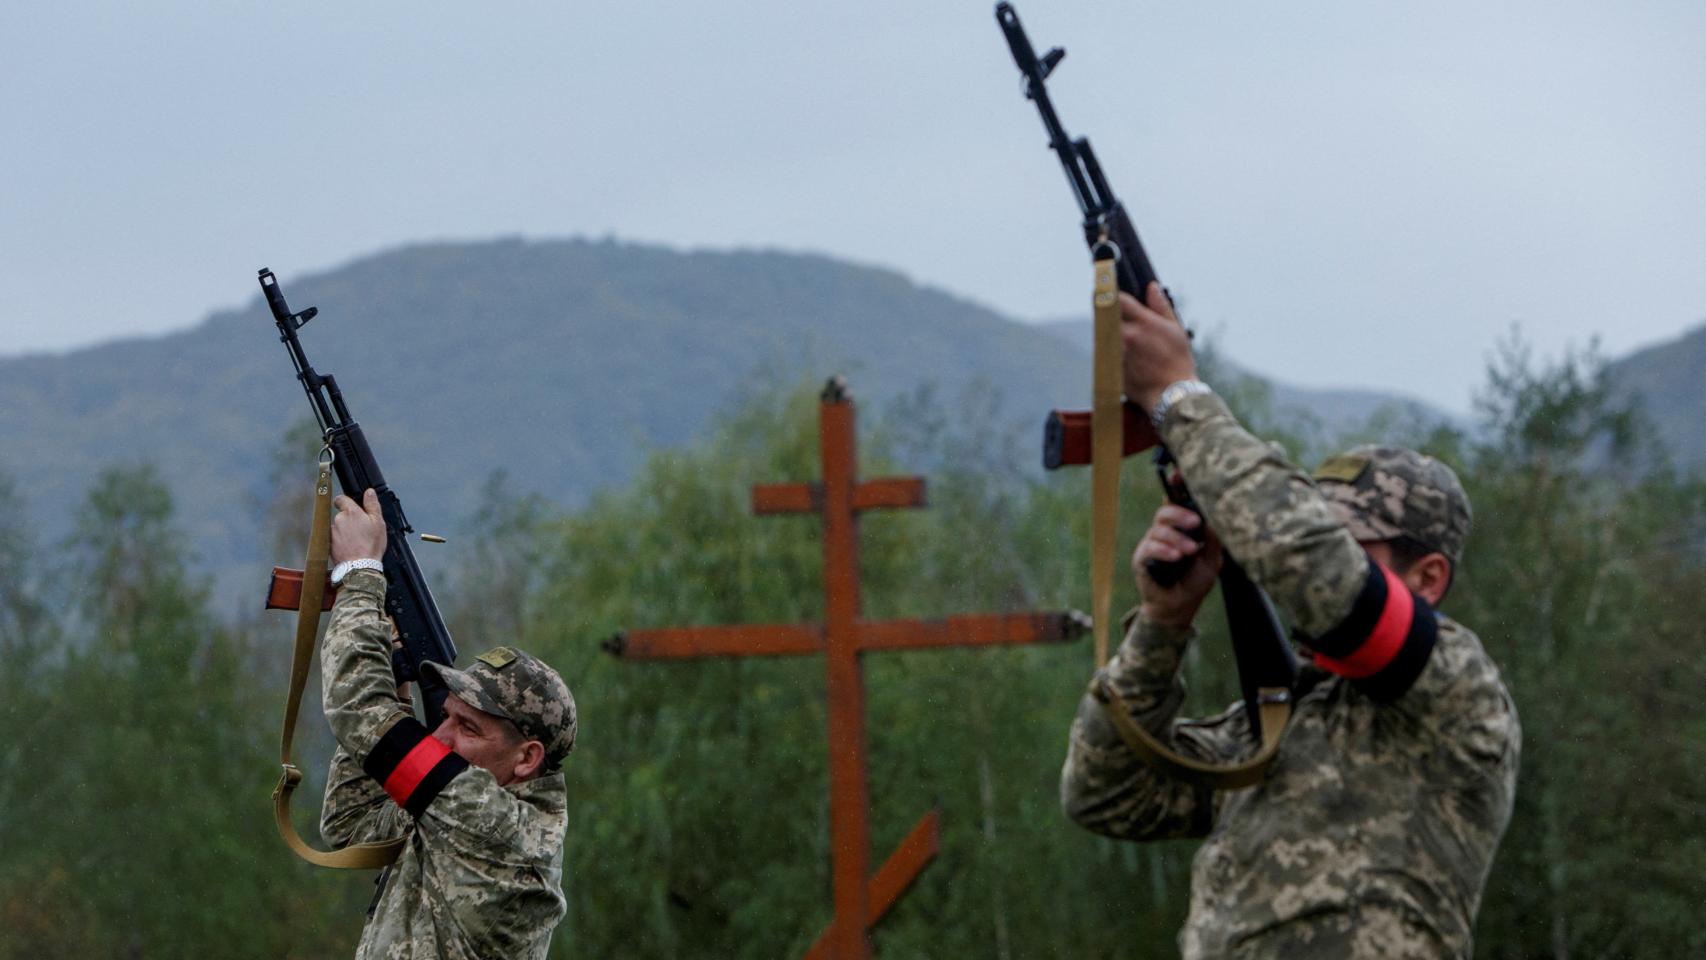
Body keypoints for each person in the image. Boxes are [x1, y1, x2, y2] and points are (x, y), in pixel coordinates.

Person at [1060, 284, 1520, 958]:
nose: (1303, 562)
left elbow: (1310, 566)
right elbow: (1105, 793)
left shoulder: (1458, 696)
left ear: (1427, 580)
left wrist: (1180, 399)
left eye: (1353, 547)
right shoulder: (1279, 718)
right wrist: (1163, 621)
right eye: (1324, 535)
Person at [318, 488, 576, 959]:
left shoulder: (494, 825)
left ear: (526, 758)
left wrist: (360, 574)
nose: (439, 736)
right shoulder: (452, 813)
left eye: (469, 729)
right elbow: (351, 824)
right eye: (447, 717)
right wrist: (396, 677)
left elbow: (357, 709)